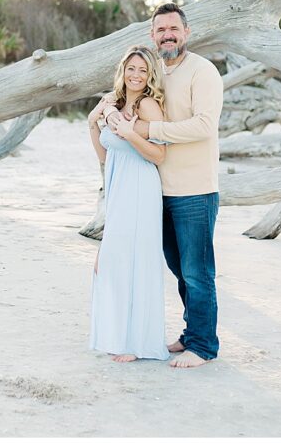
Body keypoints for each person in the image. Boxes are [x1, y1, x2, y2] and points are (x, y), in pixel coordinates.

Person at [104, 3, 223, 369]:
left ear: (186, 33)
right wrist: (110, 107)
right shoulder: (154, 73)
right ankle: (191, 333)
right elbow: (124, 99)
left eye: (173, 28)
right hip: (158, 192)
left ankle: (203, 346)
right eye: (160, 30)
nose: (167, 35)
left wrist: (149, 130)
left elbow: (204, 125)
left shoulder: (202, 72)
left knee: (197, 271)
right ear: (152, 36)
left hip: (194, 190)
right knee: (177, 268)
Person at [87, 45, 171, 362]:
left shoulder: (149, 106)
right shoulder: (114, 102)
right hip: (118, 183)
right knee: (111, 260)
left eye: (142, 70)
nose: (135, 75)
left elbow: (159, 155)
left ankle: (136, 342)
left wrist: (127, 131)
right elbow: (105, 156)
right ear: (122, 70)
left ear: (150, 75)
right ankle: (117, 335)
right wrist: (93, 124)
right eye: (130, 68)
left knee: (132, 258)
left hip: (140, 186)